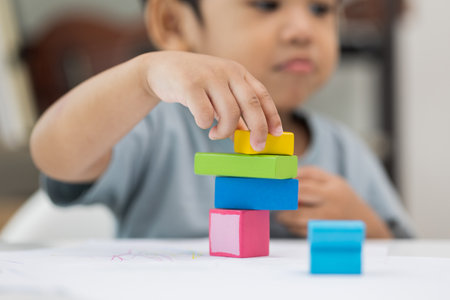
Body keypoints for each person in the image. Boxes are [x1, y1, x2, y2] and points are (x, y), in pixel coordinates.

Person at [30, 0, 414, 239]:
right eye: (266, 4)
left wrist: (365, 229)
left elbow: (406, 261)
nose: (303, 31)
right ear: (175, 24)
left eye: (320, 9)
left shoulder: (346, 150)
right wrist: (143, 78)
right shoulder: (154, 128)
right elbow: (54, 155)